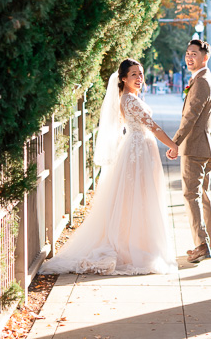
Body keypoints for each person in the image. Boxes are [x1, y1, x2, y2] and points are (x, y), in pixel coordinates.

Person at [40, 58, 178, 275]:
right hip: (137, 149)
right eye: (134, 74)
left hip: (139, 148)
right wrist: (173, 145)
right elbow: (152, 127)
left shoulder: (130, 98)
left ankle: (140, 242)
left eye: (140, 73)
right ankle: (130, 247)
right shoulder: (129, 100)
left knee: (139, 197)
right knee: (135, 197)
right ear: (123, 78)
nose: (139, 78)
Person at [167, 38, 211, 263]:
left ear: (205, 57)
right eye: (187, 53)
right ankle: (207, 244)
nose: (189, 57)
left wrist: (175, 142)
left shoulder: (202, 82)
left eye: (194, 54)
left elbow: (191, 116)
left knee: (191, 196)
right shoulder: (205, 79)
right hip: (207, 146)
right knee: (202, 196)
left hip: (196, 146)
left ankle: (201, 244)